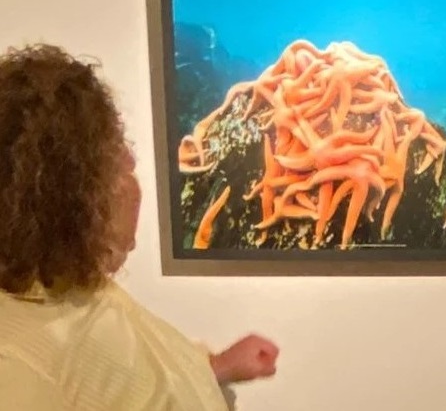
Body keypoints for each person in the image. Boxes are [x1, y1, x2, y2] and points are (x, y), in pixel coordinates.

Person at [0, 44, 279, 410]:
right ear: (71, 196)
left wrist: (218, 367)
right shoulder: (19, 364)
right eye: (120, 162)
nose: (133, 182)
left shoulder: (70, 286)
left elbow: (132, 374)